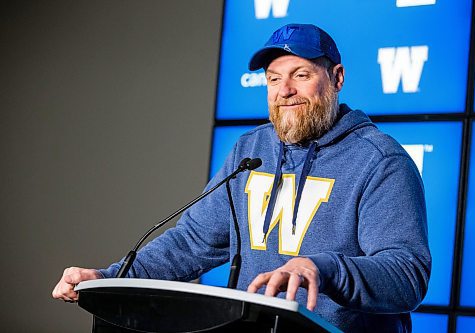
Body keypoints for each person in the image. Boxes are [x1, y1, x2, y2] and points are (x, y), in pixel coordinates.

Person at [53, 23, 431, 332]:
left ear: (336, 78)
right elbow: (192, 243)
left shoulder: (380, 161)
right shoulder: (251, 150)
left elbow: (406, 274)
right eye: (273, 79)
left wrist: (321, 267)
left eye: (300, 75)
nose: (285, 91)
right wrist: (108, 278)